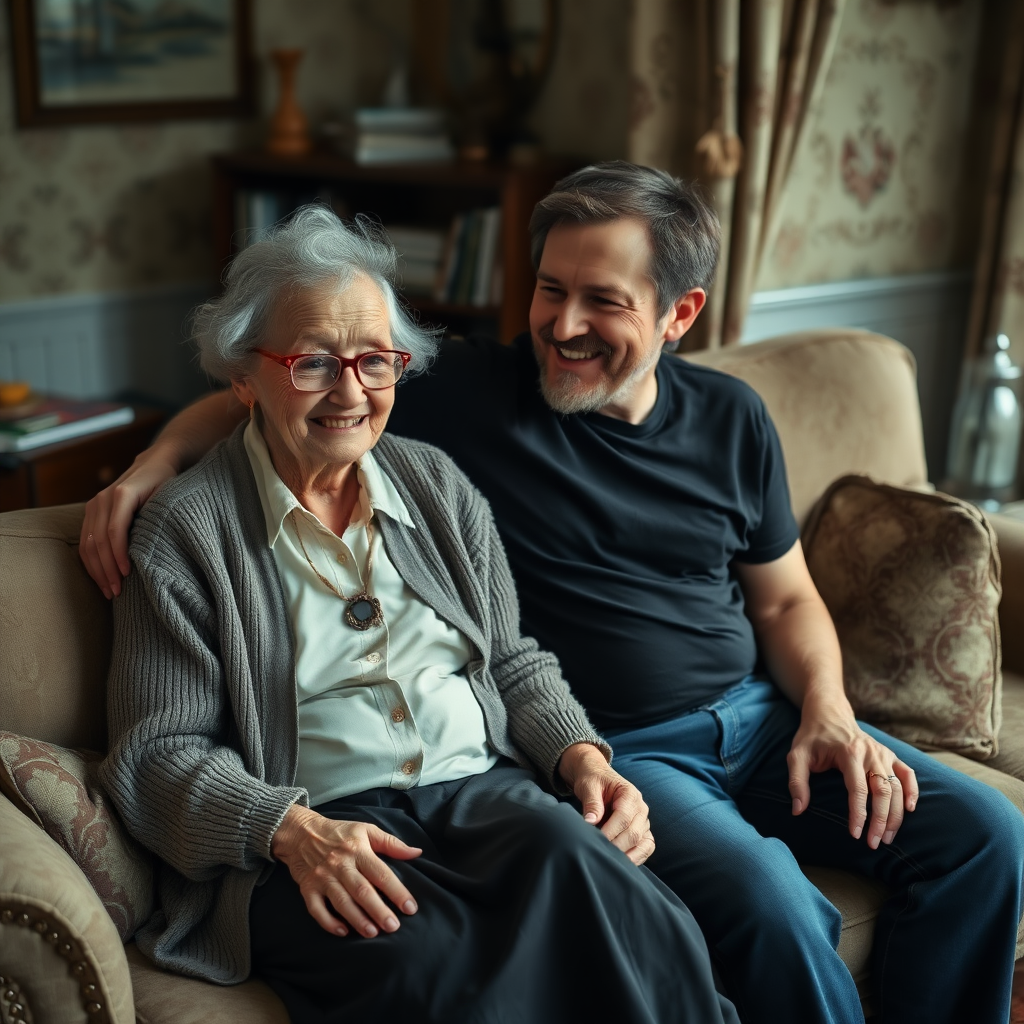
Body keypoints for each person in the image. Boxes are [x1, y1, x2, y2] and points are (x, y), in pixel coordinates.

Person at [86, 164, 1024, 1024]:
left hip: (630, 755)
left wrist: (809, 714)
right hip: (458, 789)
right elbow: (160, 745)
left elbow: (561, 649)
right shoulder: (228, 513)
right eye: (550, 288)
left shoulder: (453, 478)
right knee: (496, 964)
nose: (564, 324)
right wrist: (154, 464)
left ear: (678, 313)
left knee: (958, 846)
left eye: (376, 361)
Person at [96, 205, 739, 1024]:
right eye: (313, 364)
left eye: (375, 361)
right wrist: (289, 830)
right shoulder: (186, 532)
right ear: (242, 374)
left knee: (647, 924)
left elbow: (510, 660)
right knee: (435, 976)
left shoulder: (437, 485)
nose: (350, 391)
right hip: (318, 827)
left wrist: (581, 755)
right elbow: (157, 754)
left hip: (487, 796)